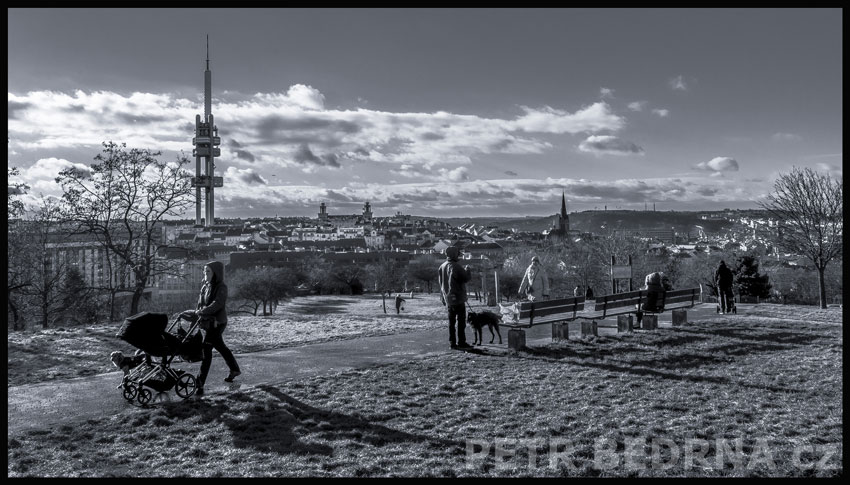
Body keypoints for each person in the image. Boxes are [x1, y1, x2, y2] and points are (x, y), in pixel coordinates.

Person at [194, 261, 241, 396]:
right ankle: (234, 369)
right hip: (207, 322)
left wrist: (203, 311)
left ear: (216, 273)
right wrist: (198, 311)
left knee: (206, 349)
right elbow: (200, 303)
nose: (205, 274)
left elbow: (218, 303)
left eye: (208, 271)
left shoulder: (221, 287)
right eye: (204, 271)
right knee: (220, 346)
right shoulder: (205, 286)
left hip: (217, 322)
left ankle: (200, 382)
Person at [438, 246, 472, 349]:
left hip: (448, 298)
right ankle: (461, 342)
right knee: (461, 322)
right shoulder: (456, 266)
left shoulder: (442, 266)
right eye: (458, 254)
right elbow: (465, 278)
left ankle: (452, 343)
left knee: (451, 322)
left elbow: (441, 284)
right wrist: (468, 270)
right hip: (457, 298)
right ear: (454, 255)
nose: (459, 256)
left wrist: (443, 297)